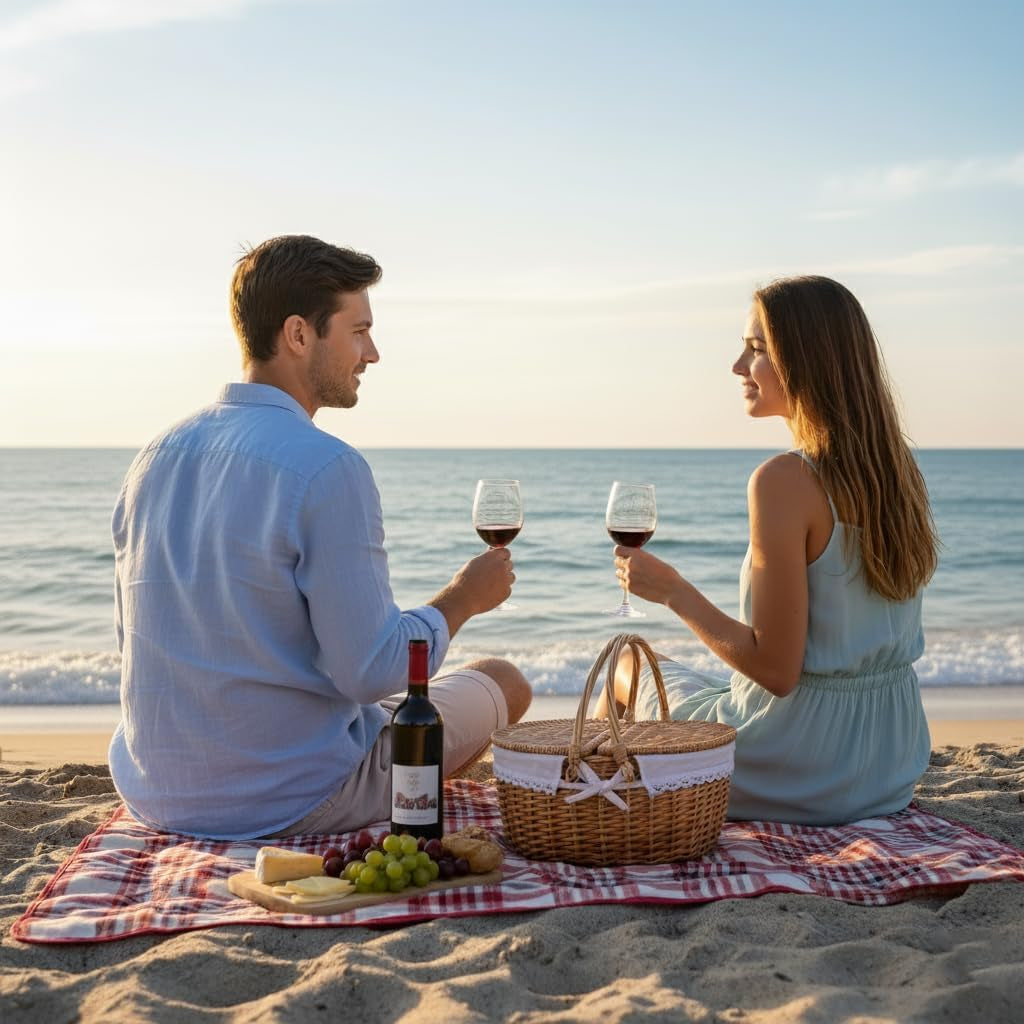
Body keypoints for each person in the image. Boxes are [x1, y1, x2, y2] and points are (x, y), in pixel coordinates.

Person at [109, 234, 531, 840]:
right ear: (299, 335)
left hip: (156, 790)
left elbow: (136, 640)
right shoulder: (328, 467)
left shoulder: (152, 457)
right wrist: (464, 597)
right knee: (503, 680)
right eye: (359, 332)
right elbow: (374, 670)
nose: (373, 353)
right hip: (290, 799)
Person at [599, 275, 938, 825]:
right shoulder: (896, 472)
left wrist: (674, 592)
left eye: (756, 349)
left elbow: (776, 671)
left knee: (629, 662)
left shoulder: (784, 480)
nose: (738, 366)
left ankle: (590, 797)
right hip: (889, 766)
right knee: (700, 685)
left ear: (806, 360)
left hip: (795, 768)